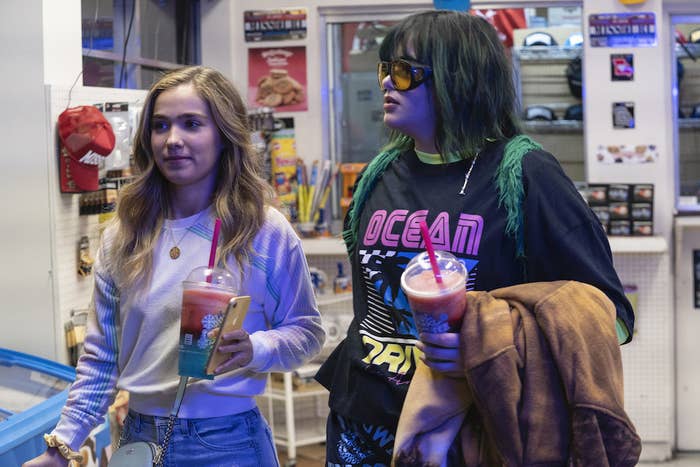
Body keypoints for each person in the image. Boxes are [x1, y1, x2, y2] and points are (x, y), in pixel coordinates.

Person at [315, 10, 634, 466]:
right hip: (362, 418)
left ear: (458, 78)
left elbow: (610, 316)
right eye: (386, 69)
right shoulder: (377, 174)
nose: (387, 82)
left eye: (405, 72)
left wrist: (491, 344)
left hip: (474, 427)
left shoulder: (526, 174)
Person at [24, 66, 325, 467]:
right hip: (137, 438)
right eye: (161, 126)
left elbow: (306, 332)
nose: (173, 140)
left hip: (228, 442)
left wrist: (257, 347)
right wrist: (60, 447)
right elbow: (101, 358)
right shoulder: (125, 235)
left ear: (223, 135)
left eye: (192, 124)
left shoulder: (263, 230)